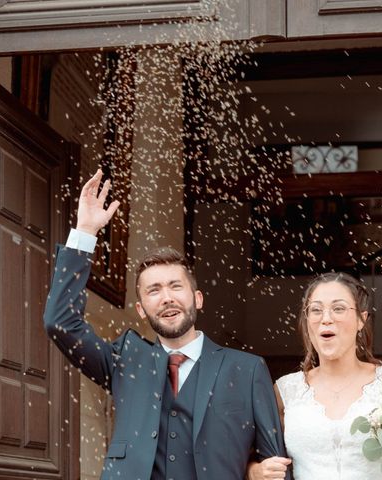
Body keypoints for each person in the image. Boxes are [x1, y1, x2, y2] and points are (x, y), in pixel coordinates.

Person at [44, 169, 289, 480]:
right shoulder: (124, 360)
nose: (166, 298)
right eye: (154, 290)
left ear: (198, 298)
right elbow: (59, 322)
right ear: (141, 309)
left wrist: (254, 471)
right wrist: (85, 233)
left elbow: (276, 466)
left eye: (176, 286)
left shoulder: (247, 369)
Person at [247, 272, 382, 480]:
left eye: (338, 309)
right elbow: (251, 454)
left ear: (362, 319)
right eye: (316, 310)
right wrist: (254, 472)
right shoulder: (285, 390)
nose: (326, 319)